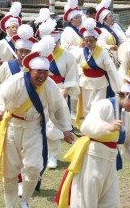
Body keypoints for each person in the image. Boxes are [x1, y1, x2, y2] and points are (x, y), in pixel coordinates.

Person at [55, 74, 130, 208]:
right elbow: (87, 126)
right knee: (87, 201)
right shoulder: (104, 105)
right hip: (92, 159)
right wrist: (108, 127)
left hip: (110, 162)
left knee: (111, 203)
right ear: (127, 94)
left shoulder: (125, 115)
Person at [0, 35, 74, 208]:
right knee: (10, 171)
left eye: (45, 72)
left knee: (34, 167)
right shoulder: (17, 80)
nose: (42, 76)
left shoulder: (49, 85)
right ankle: (9, 205)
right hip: (13, 126)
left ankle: (25, 199)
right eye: (38, 72)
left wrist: (66, 129)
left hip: (34, 128)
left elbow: (58, 108)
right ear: (30, 70)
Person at [37, 18, 79, 169]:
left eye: (57, 41)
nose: (55, 45)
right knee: (40, 123)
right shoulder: (39, 54)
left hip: (60, 91)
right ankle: (41, 152)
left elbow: (71, 75)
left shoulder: (67, 56)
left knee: (54, 125)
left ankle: (53, 156)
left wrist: (65, 91)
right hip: (42, 90)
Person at [75, 18, 122, 128]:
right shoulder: (81, 52)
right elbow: (72, 62)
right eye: (86, 40)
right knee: (86, 107)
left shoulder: (102, 52)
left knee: (97, 105)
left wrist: (116, 83)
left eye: (90, 40)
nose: (88, 43)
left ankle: (97, 126)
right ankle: (89, 127)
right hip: (85, 82)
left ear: (96, 40)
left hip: (100, 82)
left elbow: (110, 68)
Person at [0, 2, 22, 73]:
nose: (15, 29)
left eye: (17, 27)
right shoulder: (1, 44)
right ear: (7, 28)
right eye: (12, 27)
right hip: (6, 73)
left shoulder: (21, 43)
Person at [95, 0, 127, 68]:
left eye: (112, 16)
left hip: (117, 56)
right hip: (109, 58)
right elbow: (100, 44)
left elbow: (122, 39)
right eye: (110, 16)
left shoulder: (114, 28)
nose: (112, 18)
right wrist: (110, 47)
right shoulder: (101, 31)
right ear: (104, 19)